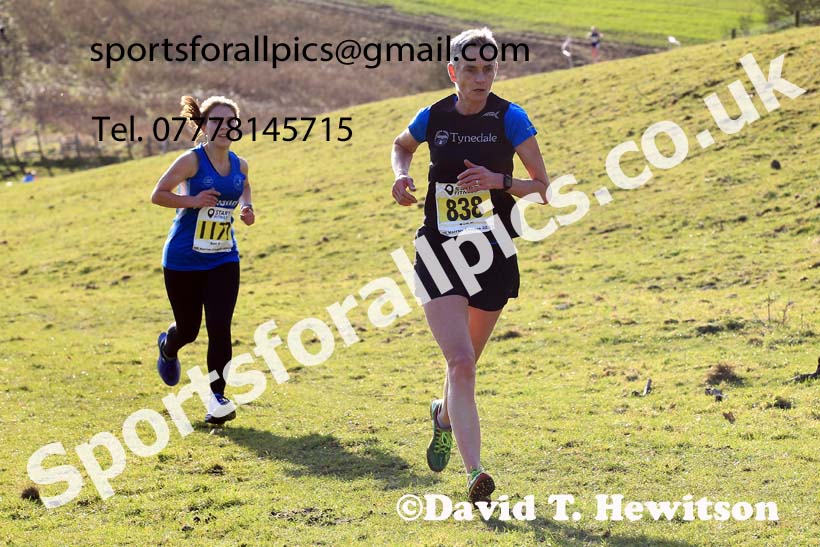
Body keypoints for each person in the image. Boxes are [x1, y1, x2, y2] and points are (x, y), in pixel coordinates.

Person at [390, 28, 549, 503]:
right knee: (460, 363)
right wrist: (401, 175)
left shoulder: (511, 118)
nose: (481, 77)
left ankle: (442, 416)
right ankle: (475, 473)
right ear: (453, 71)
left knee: (466, 365)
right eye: (472, 69)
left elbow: (542, 184)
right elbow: (402, 145)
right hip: (439, 251)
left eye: (489, 68)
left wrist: (499, 180)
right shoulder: (433, 115)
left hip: (492, 252)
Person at [150, 95, 255, 425]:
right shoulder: (191, 161)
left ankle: (218, 397)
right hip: (183, 260)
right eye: (216, 121)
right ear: (204, 126)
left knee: (220, 328)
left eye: (230, 122)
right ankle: (169, 346)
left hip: (224, 257)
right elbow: (159, 194)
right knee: (189, 329)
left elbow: (244, 186)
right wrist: (193, 199)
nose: (224, 127)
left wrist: (246, 207)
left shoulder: (240, 164)